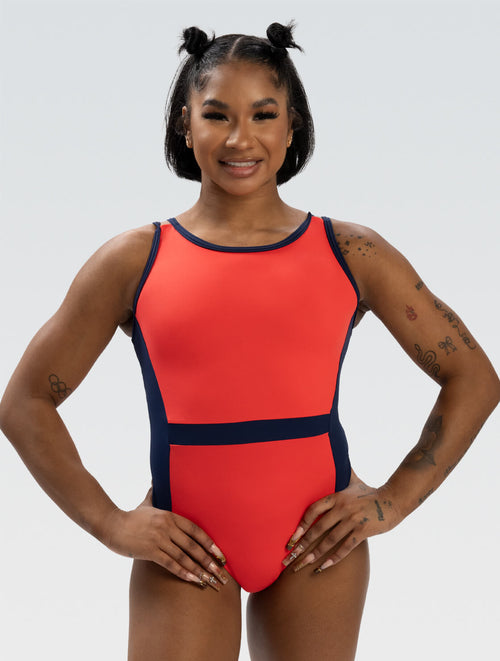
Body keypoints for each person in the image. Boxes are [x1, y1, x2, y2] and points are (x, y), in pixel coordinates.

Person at [0, 21, 498, 661]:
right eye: (217, 115)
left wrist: (392, 502)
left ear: (293, 127)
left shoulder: (352, 252)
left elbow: (473, 378)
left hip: (316, 545)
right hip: (185, 547)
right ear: (185, 125)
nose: (241, 139)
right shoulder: (134, 260)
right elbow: (25, 402)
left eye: (264, 115)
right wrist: (111, 523)